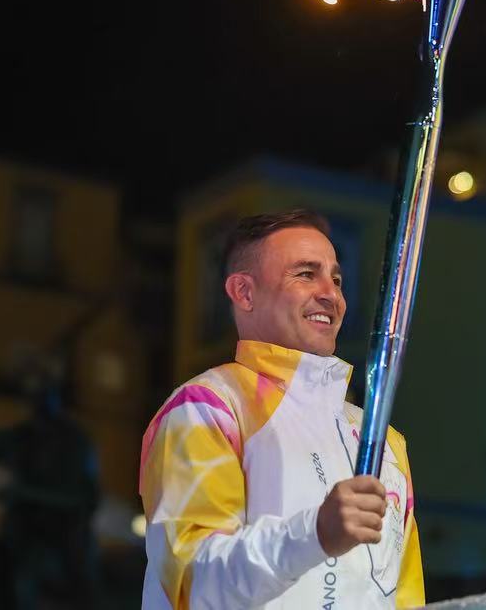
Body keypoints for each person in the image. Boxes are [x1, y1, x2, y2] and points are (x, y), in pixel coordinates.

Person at [139, 209, 424, 608]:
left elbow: (406, 597)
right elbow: (196, 581)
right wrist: (315, 535)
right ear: (244, 293)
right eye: (306, 274)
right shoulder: (209, 409)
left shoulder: (384, 442)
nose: (331, 294)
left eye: (336, 279)